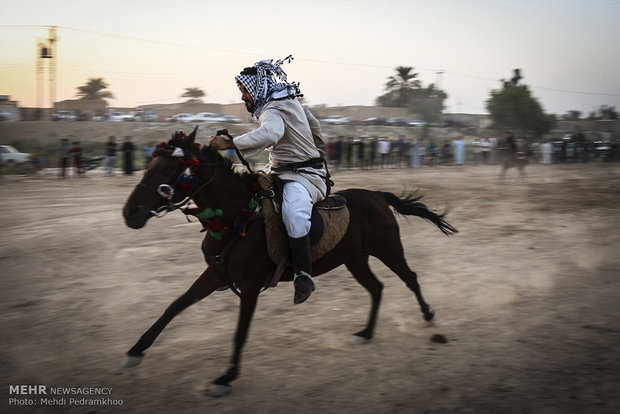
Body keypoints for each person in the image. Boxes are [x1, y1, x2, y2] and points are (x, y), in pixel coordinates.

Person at [209, 56, 328, 305]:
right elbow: (314, 124)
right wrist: (318, 149)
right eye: (241, 91)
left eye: (244, 91)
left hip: (303, 177)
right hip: (279, 172)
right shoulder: (289, 102)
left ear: (256, 89)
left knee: (294, 214)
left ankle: (303, 273)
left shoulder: (272, 109)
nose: (243, 97)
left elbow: (272, 132)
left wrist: (231, 143)